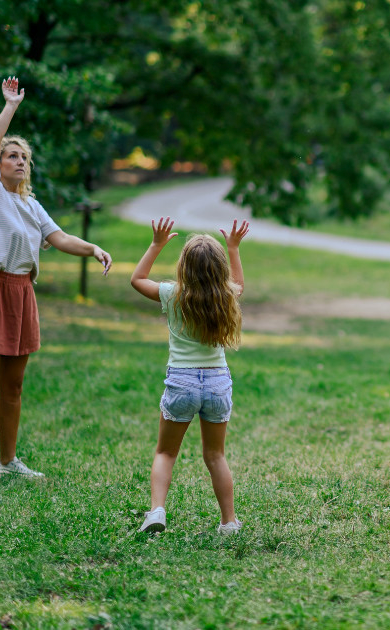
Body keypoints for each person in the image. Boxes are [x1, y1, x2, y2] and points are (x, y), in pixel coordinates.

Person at [0, 77, 112, 487]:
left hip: (21, 292)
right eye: (12, 155)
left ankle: (8, 461)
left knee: (14, 386)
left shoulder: (30, 203)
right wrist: (10, 106)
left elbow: (58, 238)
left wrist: (93, 248)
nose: (18, 161)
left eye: (23, 156)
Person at [130, 216, 250, 535]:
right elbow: (239, 284)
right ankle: (228, 522)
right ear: (219, 270)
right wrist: (234, 247)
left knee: (165, 452)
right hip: (217, 383)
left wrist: (156, 245)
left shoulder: (171, 294)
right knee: (215, 455)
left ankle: (157, 511)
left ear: (184, 268)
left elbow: (137, 279)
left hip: (181, 382)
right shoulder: (226, 296)